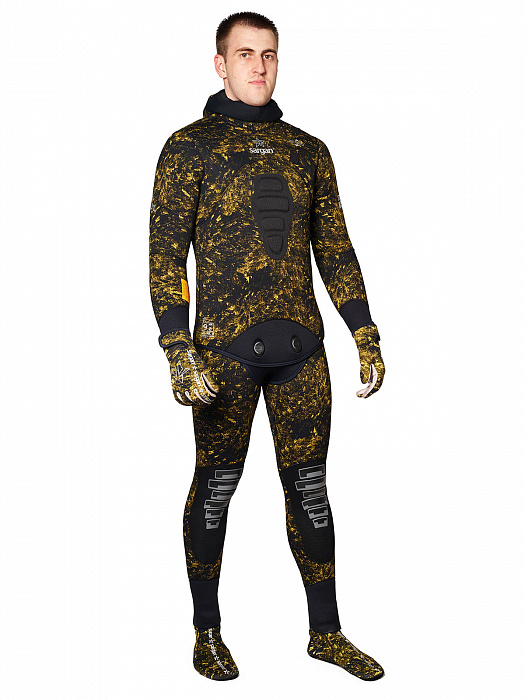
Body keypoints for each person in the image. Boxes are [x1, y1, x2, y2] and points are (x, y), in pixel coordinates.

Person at [149, 11, 386, 682]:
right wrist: (176, 347)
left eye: (270, 54)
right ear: (219, 64)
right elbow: (165, 256)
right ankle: (207, 633)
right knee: (216, 488)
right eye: (245, 53)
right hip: (222, 354)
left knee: (310, 489)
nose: (259, 65)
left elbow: (334, 248)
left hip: (301, 350)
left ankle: (326, 633)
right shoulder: (188, 147)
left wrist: (364, 329)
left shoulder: (308, 150)